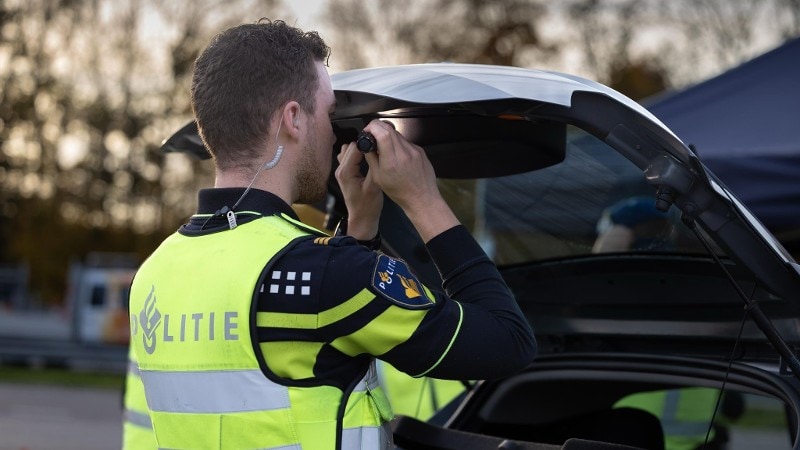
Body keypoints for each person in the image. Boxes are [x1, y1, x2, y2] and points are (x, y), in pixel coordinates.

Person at [126, 19, 536, 450]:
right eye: (329, 113)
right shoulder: (322, 271)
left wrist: (359, 227)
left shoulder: (155, 273)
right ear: (293, 119)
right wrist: (422, 197)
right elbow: (508, 341)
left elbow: (306, 350)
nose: (332, 133)